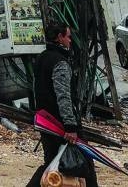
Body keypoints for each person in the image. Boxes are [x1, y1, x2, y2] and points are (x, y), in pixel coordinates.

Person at [25, 21, 99, 187]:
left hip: (46, 121)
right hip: (60, 124)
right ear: (59, 37)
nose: (70, 41)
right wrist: (70, 126)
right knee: (85, 164)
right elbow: (63, 96)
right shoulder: (59, 62)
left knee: (50, 164)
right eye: (68, 37)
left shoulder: (42, 58)